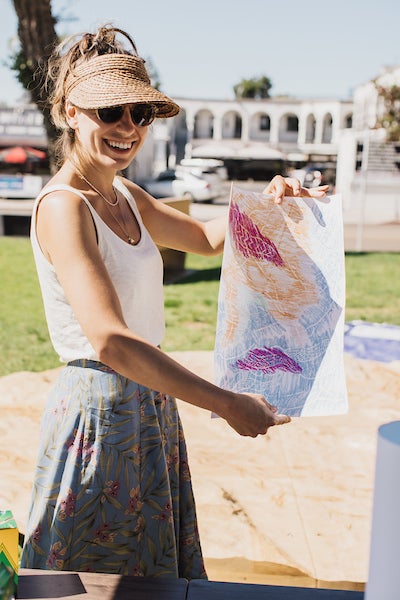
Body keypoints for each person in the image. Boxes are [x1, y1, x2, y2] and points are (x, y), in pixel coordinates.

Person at [20, 25, 329, 578]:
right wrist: (225, 402)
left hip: (151, 402)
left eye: (141, 114)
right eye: (111, 111)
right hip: (100, 410)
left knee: (146, 578)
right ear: (70, 112)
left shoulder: (127, 196)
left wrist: (272, 201)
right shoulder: (63, 206)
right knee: (92, 579)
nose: (128, 128)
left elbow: (209, 239)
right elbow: (111, 341)